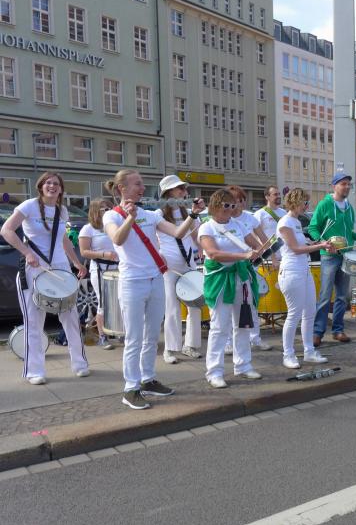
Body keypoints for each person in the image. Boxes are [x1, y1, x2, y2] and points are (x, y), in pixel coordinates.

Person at [103, 169, 204, 410]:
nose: (142, 188)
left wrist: (193, 214)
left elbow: (178, 233)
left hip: (155, 279)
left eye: (142, 184)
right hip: (132, 282)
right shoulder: (112, 216)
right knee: (134, 338)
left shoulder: (149, 215)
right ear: (122, 188)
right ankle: (130, 388)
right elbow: (117, 239)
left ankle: (147, 379)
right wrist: (130, 218)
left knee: (151, 335)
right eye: (137, 184)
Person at [1, 172, 90, 385]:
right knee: (34, 321)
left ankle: (80, 364)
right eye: (48, 183)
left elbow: (63, 240)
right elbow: (6, 230)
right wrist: (26, 252)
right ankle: (35, 371)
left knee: (71, 318)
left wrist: (76, 263)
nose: (52, 186)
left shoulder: (62, 210)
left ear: (61, 189)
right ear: (41, 186)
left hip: (60, 270)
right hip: (33, 270)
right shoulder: (29, 206)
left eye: (56, 183)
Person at [197, 189, 264, 388]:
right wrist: (243, 256)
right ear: (215, 206)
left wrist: (263, 249)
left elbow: (255, 245)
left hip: (241, 277)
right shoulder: (206, 227)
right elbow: (213, 253)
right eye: (226, 205)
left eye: (233, 205)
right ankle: (214, 372)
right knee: (219, 327)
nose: (230, 209)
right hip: (219, 280)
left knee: (243, 323)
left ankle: (243, 365)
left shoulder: (238, 224)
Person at [308, 173, 356, 346]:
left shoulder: (349, 207)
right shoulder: (324, 204)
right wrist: (322, 243)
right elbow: (313, 228)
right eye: (343, 184)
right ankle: (317, 332)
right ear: (334, 186)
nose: (347, 187)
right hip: (329, 256)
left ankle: (338, 330)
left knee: (342, 296)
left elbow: (348, 232)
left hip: (346, 256)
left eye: (349, 184)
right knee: (325, 296)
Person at [276, 188, 335, 369]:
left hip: (303, 270)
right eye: (305, 203)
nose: (307, 206)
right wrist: (320, 246)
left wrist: (318, 243)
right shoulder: (285, 222)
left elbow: (302, 244)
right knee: (294, 314)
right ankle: (288, 354)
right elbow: (295, 249)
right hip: (291, 271)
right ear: (295, 202)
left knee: (310, 312)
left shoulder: (295, 221)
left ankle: (309, 351)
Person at [156, 175, 203, 364]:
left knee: (195, 305)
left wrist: (202, 250)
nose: (185, 192)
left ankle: (190, 345)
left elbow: (196, 237)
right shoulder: (159, 214)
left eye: (184, 188)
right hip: (170, 267)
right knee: (172, 308)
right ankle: (170, 348)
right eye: (180, 188)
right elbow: (157, 238)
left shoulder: (189, 213)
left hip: (189, 263)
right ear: (169, 192)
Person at [225, 185, 271, 353]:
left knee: (250, 303)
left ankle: (255, 338)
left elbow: (263, 240)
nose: (241, 203)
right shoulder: (223, 221)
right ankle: (228, 341)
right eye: (238, 200)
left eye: (243, 199)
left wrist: (267, 253)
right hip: (229, 267)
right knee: (229, 305)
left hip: (249, 266)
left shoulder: (249, 219)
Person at [78, 198, 118, 351]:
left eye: (109, 208)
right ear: (95, 211)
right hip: (101, 268)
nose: (108, 211)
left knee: (121, 301)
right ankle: (102, 336)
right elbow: (84, 252)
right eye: (104, 209)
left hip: (119, 267)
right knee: (103, 303)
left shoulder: (113, 226)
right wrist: (103, 254)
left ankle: (118, 331)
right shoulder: (88, 229)